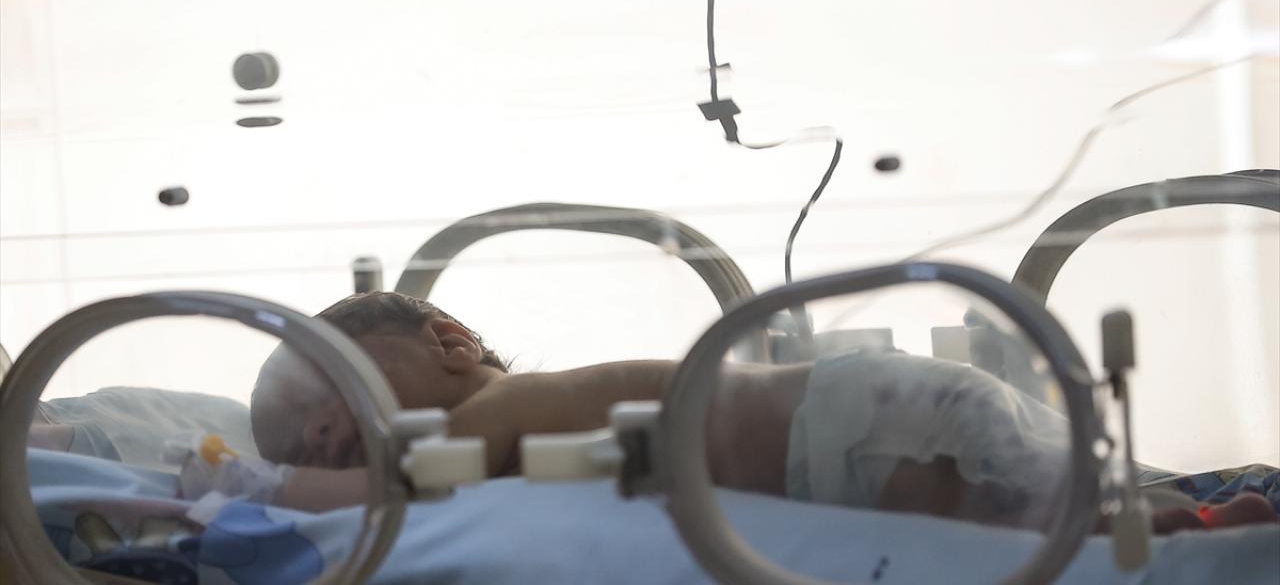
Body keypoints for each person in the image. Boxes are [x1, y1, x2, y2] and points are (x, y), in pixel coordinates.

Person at [248, 292, 1278, 533]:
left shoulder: (508, 408)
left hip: (859, 416)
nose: (324, 433)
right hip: (846, 458)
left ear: (448, 341)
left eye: (326, 394)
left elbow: (413, 477)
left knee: (1043, 500)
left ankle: (1178, 516)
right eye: (301, 440)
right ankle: (1188, 517)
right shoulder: (516, 453)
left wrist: (273, 485)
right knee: (1020, 520)